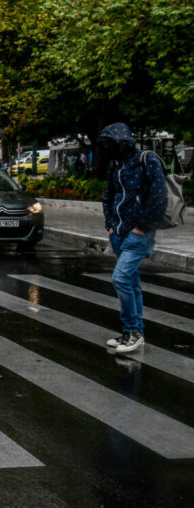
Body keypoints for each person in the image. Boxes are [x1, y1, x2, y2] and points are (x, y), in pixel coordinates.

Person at [97, 122, 168, 354]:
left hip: (139, 233)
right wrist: (110, 225)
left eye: (110, 142)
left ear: (122, 141)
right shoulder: (114, 164)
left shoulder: (147, 160)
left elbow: (159, 198)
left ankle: (134, 333)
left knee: (120, 278)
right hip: (118, 233)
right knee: (131, 282)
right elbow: (109, 196)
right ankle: (133, 332)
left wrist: (141, 227)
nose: (107, 147)